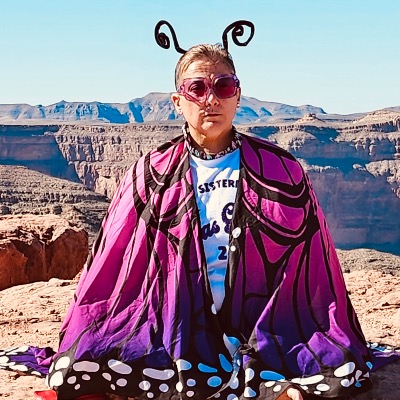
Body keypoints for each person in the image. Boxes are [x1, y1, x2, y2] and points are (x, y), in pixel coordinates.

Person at [1, 20, 399, 400]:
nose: (211, 99)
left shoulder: (283, 171)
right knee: (87, 365)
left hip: (264, 322)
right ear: (178, 101)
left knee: (330, 367)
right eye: (197, 88)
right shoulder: (149, 173)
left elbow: (312, 268)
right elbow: (114, 265)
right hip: (174, 319)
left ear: (238, 96)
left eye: (224, 86)